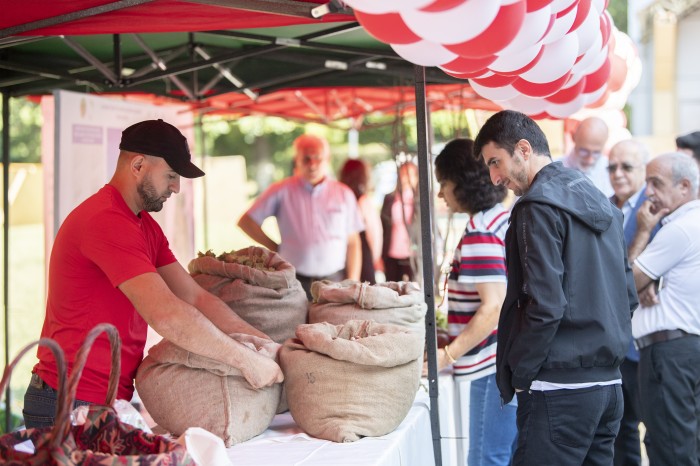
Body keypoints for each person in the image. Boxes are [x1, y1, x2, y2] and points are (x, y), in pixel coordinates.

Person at [24, 119, 283, 428]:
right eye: (171, 176)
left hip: (104, 400)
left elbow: (195, 297)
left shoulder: (146, 227)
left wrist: (262, 343)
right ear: (138, 165)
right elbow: (168, 315)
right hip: (67, 401)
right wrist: (246, 361)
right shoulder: (106, 219)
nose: (175, 187)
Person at [474, 110, 638, 465]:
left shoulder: (537, 205)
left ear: (523, 149)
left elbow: (544, 304)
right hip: (608, 387)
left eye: (495, 162)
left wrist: (521, 372)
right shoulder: (602, 203)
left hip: (560, 389)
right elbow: (628, 296)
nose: (494, 177)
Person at [429, 138, 517, 466]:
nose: (441, 193)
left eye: (444, 183)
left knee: (486, 459)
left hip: (491, 364)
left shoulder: (481, 231)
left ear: (463, 184)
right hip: (504, 359)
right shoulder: (499, 218)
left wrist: (447, 355)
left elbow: (492, 308)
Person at [627, 152, 700, 466]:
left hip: (670, 354)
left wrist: (643, 230)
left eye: (655, 183)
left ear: (684, 187)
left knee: (670, 449)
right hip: (681, 351)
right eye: (646, 183)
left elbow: (626, 283)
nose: (648, 192)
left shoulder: (681, 228)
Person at [238, 134, 364, 299]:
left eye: (317, 158)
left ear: (327, 159)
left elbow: (353, 242)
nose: (312, 165)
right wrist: (276, 249)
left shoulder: (343, 193)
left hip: (335, 280)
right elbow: (246, 222)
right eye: (306, 159)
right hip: (294, 280)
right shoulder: (281, 190)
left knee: (336, 324)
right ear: (296, 160)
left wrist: (353, 281)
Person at [607, 139, 659, 466]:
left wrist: (652, 279)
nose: (618, 173)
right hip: (619, 341)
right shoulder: (610, 206)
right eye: (611, 167)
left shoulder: (654, 208)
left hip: (649, 341)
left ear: (643, 170)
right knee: (621, 430)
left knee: (656, 431)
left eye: (627, 167)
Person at [339, 158, 382, 284]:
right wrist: (375, 257)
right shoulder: (363, 200)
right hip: (363, 254)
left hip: (342, 253)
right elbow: (374, 233)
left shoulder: (341, 197)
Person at [380, 161, 418, 282]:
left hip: (412, 253)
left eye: (410, 175)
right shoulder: (390, 198)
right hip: (391, 252)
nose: (406, 178)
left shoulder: (419, 200)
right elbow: (383, 227)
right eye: (403, 174)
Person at [562, 116, 614, 196]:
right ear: (573, 137)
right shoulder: (556, 168)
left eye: (596, 153)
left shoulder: (611, 171)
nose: (590, 160)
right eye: (584, 151)